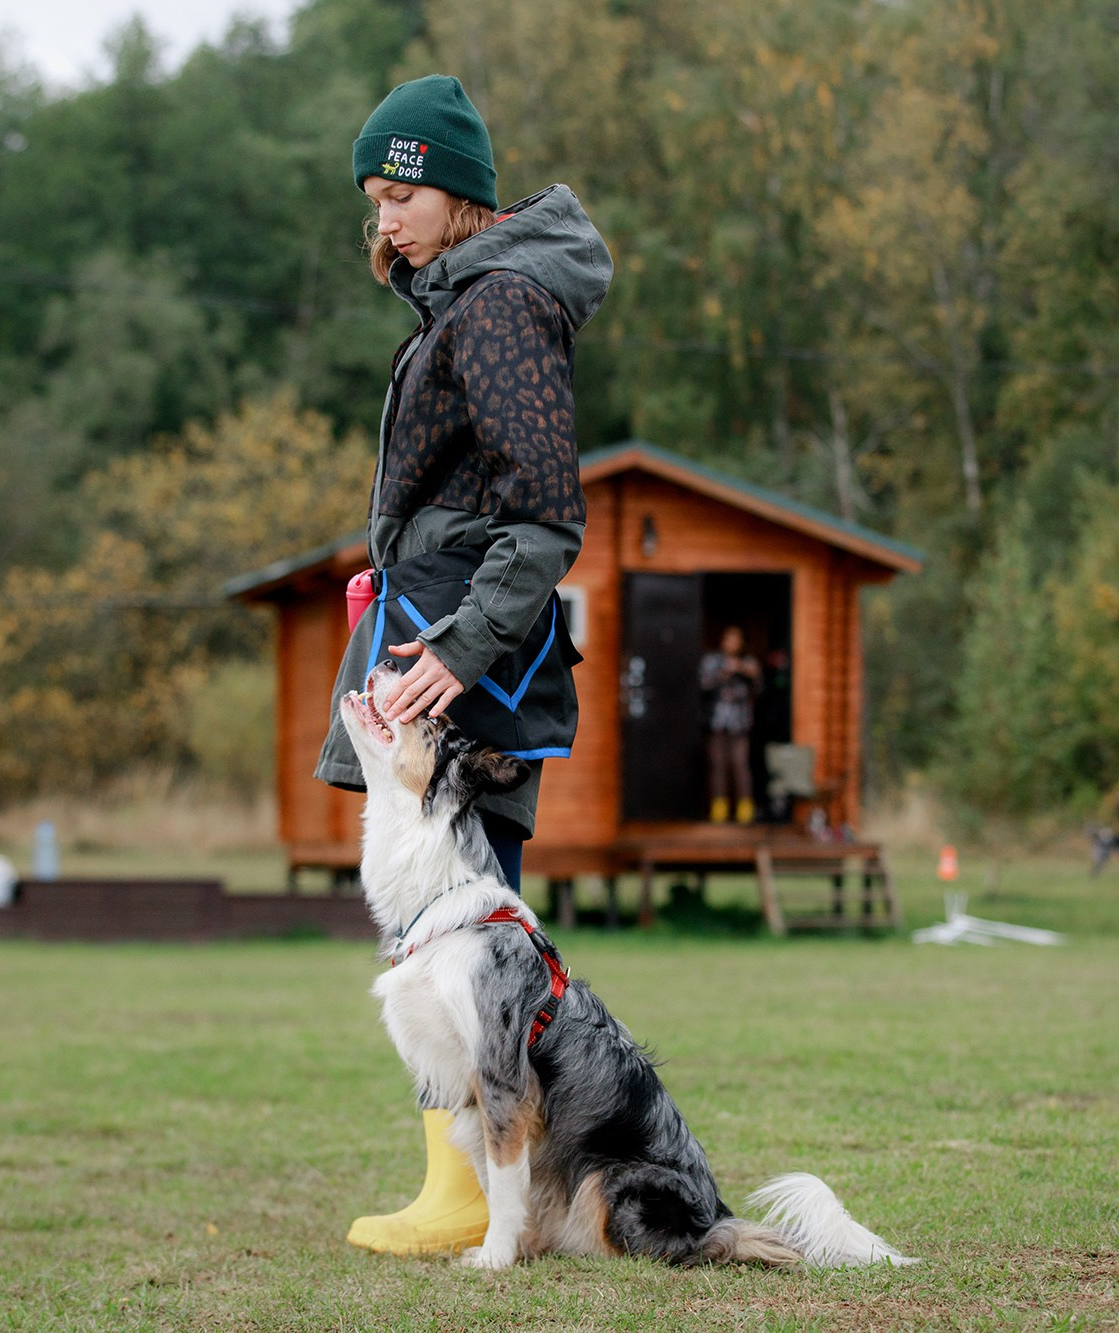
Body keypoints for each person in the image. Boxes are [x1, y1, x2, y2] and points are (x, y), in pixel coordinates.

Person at [313, 74, 611, 1256]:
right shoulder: (458, 304)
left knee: (471, 950)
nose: (383, 217)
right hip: (433, 633)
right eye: (373, 199)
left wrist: (451, 647)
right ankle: (478, 1190)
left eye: (403, 193)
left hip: (468, 664)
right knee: (432, 940)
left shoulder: (497, 307)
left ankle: (476, 1200)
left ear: (462, 196)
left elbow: (542, 519)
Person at [699, 626, 762, 823]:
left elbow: (759, 687)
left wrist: (742, 669)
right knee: (717, 765)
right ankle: (719, 808)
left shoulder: (748, 663)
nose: (732, 643)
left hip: (740, 724)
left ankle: (745, 809)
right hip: (717, 722)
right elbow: (702, 684)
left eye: (736, 639)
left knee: (740, 764)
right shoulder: (712, 661)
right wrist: (723, 673)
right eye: (729, 639)